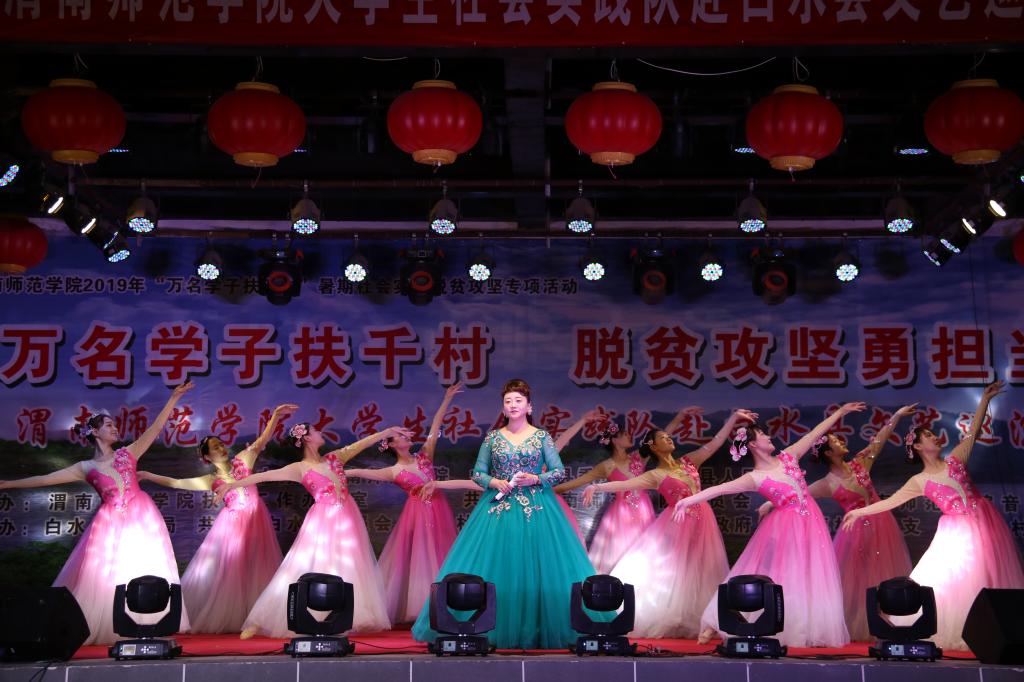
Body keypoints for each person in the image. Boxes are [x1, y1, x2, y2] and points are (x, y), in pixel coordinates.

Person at [410, 378, 602, 649]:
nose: (513, 405)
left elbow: (558, 472)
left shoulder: (541, 437)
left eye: (518, 401)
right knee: (496, 563)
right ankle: (481, 624)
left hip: (537, 507)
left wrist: (536, 479)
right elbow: (478, 473)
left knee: (540, 565)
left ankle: (539, 626)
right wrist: (494, 481)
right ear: (503, 407)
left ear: (529, 406)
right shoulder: (493, 438)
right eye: (508, 401)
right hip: (498, 507)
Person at [0, 382, 196, 645]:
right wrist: (7, 484)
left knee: (143, 566)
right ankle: (105, 623)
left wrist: (173, 399)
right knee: (107, 573)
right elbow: (45, 479)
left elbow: (155, 429)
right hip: (109, 522)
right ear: (94, 431)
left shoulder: (128, 453)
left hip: (141, 517)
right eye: (109, 425)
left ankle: (149, 619)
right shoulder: (85, 467)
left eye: (115, 425)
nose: (115, 428)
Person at [842, 382, 1024, 651]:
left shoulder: (956, 460)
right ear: (917, 445)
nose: (935, 437)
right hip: (956, 531)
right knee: (950, 577)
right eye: (928, 435)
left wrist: (985, 400)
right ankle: (942, 626)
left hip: (984, 522)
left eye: (933, 434)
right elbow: (891, 502)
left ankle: (995, 630)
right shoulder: (920, 481)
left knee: (988, 574)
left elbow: (973, 432)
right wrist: (858, 511)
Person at [674, 402, 866, 648]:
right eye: (763, 434)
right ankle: (715, 621)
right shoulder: (754, 477)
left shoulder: (788, 457)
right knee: (763, 570)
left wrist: (840, 412)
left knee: (806, 574)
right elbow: (719, 489)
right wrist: (686, 501)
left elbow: (814, 434)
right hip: (785, 527)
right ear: (754, 445)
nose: (768, 436)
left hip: (810, 523)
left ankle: (800, 625)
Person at [215, 421, 413, 638]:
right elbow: (263, 476)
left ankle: (348, 615)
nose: (320, 432)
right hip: (322, 521)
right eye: (316, 431)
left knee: (348, 565)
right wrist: (232, 485)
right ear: (307, 438)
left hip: (347, 519)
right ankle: (263, 618)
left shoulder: (335, 458)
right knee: (302, 567)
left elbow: (362, 443)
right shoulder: (299, 468)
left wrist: (386, 432)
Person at [580, 409, 757, 637]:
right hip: (678, 523)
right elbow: (626, 485)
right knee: (678, 570)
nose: (669, 439)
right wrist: (597, 486)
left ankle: (706, 618)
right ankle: (673, 616)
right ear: (654, 447)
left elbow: (715, 443)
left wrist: (732, 419)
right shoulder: (656, 475)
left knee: (704, 568)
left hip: (704, 521)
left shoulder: (689, 461)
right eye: (663, 438)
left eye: (669, 436)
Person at [136, 403, 296, 633]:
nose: (221, 448)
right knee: (233, 571)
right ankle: (233, 616)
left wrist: (275, 416)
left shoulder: (243, 460)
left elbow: (262, 441)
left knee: (257, 567)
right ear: (207, 456)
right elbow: (176, 482)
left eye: (221, 444)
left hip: (256, 520)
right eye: (214, 447)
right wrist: (148, 474)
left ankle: (257, 618)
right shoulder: (211, 480)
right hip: (232, 526)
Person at [774, 403, 916, 641]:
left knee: (883, 573)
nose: (841, 442)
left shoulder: (860, 463)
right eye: (835, 441)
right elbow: (796, 494)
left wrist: (897, 416)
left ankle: (889, 620)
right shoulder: (827, 483)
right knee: (858, 579)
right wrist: (769, 504)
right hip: (855, 531)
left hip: (882, 525)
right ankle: (860, 622)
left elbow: (879, 440)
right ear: (829, 453)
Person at [345, 383, 463, 624]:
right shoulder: (393, 471)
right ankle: (422, 606)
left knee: (441, 552)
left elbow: (435, 426)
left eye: (405, 434)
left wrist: (446, 399)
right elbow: (358, 471)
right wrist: (337, 472)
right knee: (421, 556)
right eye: (400, 436)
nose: (406, 436)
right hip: (417, 514)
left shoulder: (425, 455)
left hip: (439, 509)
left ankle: (446, 605)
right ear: (390, 445)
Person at [556, 405, 707, 573]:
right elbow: (577, 482)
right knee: (619, 554)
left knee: (645, 554)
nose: (630, 436)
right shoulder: (606, 466)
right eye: (625, 434)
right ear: (615, 440)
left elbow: (661, 436)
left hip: (644, 511)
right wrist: (548, 490)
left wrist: (680, 416)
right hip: (620, 516)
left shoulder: (638, 456)